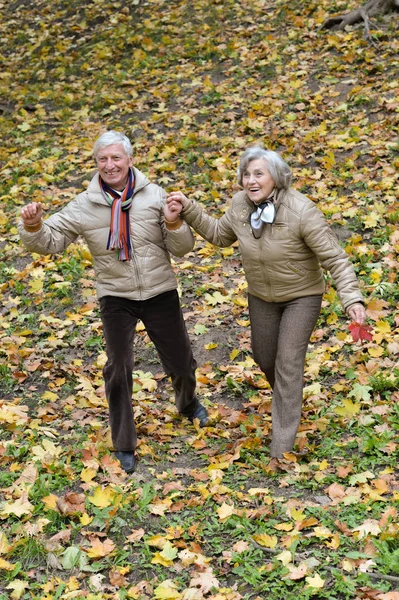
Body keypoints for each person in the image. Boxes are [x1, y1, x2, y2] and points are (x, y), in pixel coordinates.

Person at [19, 130, 208, 474]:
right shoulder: (84, 205)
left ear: (130, 160)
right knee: (118, 368)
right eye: (103, 159)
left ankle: (187, 403)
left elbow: (181, 248)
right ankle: (124, 443)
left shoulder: (154, 196)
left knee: (181, 362)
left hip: (159, 290)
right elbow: (52, 240)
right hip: (115, 296)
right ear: (96, 164)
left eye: (116, 158)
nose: (110, 165)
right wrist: (33, 227)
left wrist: (174, 222)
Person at [166, 145, 366, 463]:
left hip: (302, 296)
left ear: (276, 177)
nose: (251, 180)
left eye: (259, 173)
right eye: (246, 174)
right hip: (261, 297)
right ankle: (288, 400)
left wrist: (351, 298)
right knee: (265, 359)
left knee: (287, 364)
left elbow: (336, 258)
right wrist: (189, 209)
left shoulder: (302, 211)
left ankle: (281, 450)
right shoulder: (240, 205)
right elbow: (220, 235)